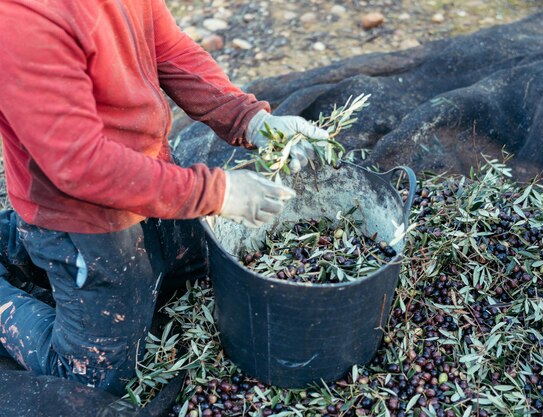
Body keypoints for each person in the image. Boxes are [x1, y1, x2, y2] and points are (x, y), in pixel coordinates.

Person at [0, 0, 328, 395]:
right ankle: (37, 244)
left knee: (202, 267)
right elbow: (80, 163)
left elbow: (168, 47)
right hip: (78, 215)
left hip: (147, 174)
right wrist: (214, 192)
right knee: (95, 380)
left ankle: (18, 240)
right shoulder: (19, 21)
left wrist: (252, 121)